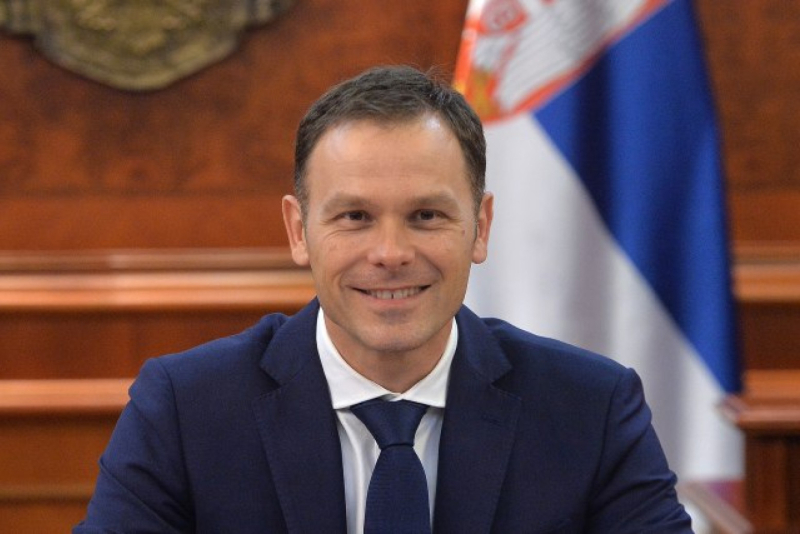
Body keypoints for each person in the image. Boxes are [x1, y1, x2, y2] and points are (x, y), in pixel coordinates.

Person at [75, 65, 693, 533]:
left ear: (480, 228)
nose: (390, 252)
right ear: (299, 231)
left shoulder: (591, 408)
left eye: (426, 215)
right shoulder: (183, 409)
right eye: (355, 217)